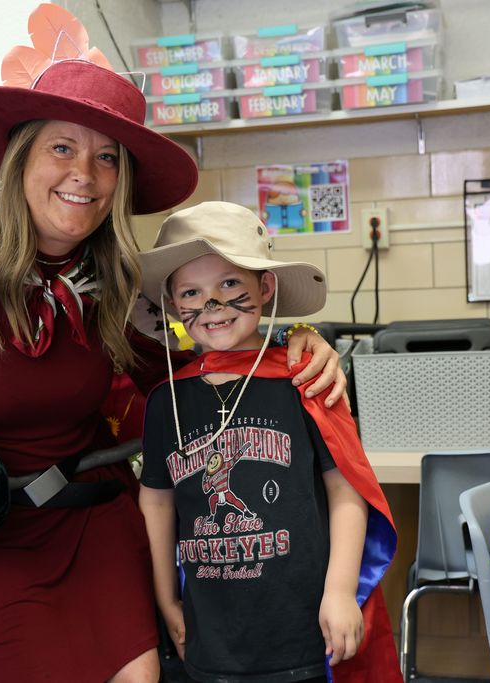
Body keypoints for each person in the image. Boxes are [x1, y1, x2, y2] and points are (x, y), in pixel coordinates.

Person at [0, 7, 349, 682]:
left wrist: (293, 346)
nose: (84, 172)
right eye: (62, 147)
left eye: (106, 157)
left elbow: (197, 367)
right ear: (22, 154)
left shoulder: (109, 282)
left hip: (93, 525)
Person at [138, 201, 401, 683]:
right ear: (174, 306)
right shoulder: (165, 399)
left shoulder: (307, 380)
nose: (212, 304)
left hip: (302, 629)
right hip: (211, 635)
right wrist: (165, 598)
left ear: (266, 287)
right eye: (192, 292)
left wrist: (341, 591)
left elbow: (347, 490)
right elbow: (156, 502)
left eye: (230, 284)